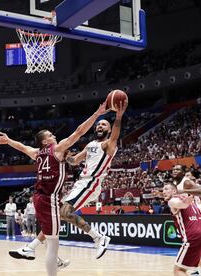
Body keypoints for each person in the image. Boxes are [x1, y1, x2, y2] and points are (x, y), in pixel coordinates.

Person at [0, 102, 108, 276]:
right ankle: (48, 261)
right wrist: (97, 113)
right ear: (46, 141)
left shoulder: (37, 153)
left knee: (51, 233)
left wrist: (8, 141)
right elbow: (79, 131)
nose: (53, 135)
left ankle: (34, 250)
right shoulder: (58, 148)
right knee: (53, 245)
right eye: (50, 134)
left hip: (38, 198)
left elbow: (22, 147)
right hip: (50, 199)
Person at [8, 100, 127, 262]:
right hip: (80, 184)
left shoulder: (109, 145)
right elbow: (75, 161)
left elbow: (115, 135)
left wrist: (118, 116)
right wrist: (64, 157)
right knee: (57, 216)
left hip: (91, 184)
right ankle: (32, 248)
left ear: (109, 129)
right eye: (99, 124)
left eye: (104, 125)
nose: (100, 126)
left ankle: (99, 238)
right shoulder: (91, 144)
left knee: (63, 213)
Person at [162, 183, 201, 276]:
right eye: (163, 190)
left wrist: (185, 203)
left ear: (174, 191)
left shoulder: (172, 201)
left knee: (179, 270)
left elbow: (180, 205)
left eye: (166, 189)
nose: (163, 191)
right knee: (200, 261)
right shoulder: (192, 201)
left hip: (194, 237)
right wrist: (186, 201)